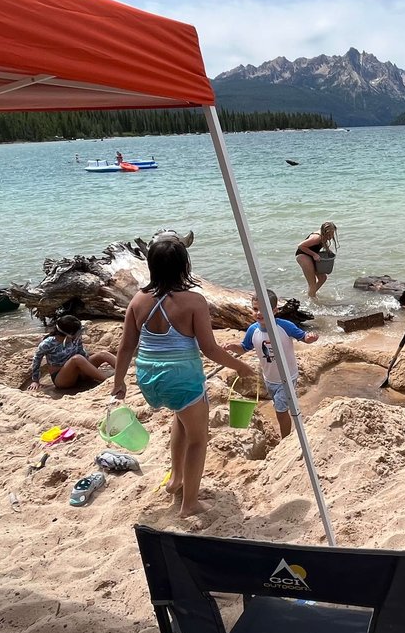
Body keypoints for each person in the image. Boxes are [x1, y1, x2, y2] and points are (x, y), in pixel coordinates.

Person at [111, 236, 255, 517]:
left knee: (180, 416)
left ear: (151, 266)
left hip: (149, 381)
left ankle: (176, 479)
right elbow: (210, 348)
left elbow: (126, 346)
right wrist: (239, 366)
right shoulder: (194, 301)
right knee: (199, 439)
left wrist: (119, 382)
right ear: (184, 267)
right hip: (181, 380)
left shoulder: (138, 300)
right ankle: (189, 505)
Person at [227, 289, 318, 439]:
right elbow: (244, 348)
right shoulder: (253, 330)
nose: (258, 313)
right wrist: (232, 347)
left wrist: (311, 337)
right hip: (269, 378)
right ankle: (287, 433)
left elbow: (303, 337)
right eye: (255, 309)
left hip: (287, 377)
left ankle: (285, 439)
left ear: (275, 311)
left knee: (281, 411)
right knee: (278, 405)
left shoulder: (285, 326)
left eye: (264, 310)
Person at [28, 315, 116, 391]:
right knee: (76, 358)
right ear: (68, 334)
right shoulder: (48, 343)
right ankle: (107, 382)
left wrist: (91, 366)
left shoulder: (76, 338)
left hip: (80, 372)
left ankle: (127, 372)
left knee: (103, 354)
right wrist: (35, 381)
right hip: (63, 379)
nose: (79, 334)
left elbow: (83, 354)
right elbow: (37, 358)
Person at [295, 221, 338, 298]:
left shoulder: (324, 236)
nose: (331, 236)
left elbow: (318, 246)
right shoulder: (317, 237)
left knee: (322, 278)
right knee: (312, 283)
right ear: (324, 232)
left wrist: (328, 250)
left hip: (310, 255)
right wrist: (314, 254)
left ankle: (310, 295)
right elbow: (300, 246)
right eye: (329, 234)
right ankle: (312, 300)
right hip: (303, 255)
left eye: (332, 234)